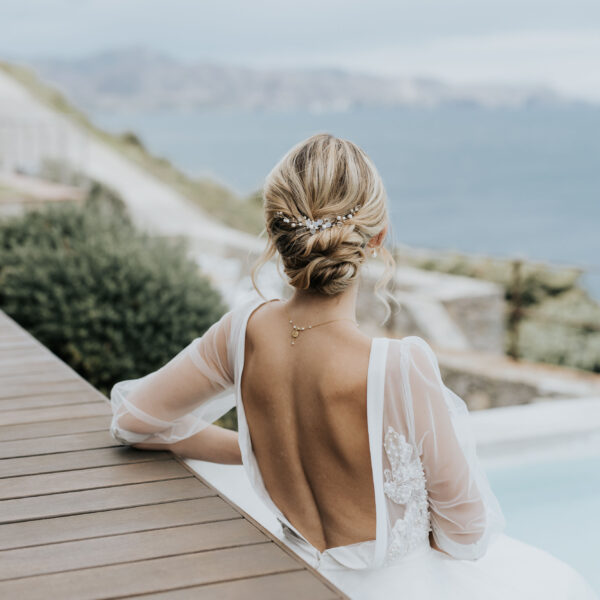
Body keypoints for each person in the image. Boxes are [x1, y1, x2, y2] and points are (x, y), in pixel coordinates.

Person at [109, 133, 598, 599]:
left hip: (293, 579)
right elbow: (466, 533)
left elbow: (135, 421)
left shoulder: (239, 334)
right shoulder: (400, 367)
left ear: (276, 233)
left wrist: (256, 450)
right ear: (377, 238)